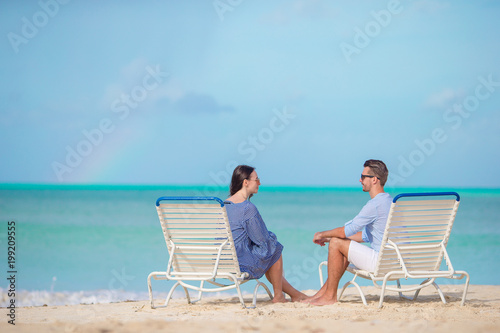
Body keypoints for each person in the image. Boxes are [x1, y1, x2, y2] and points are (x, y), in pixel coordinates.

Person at [303, 159, 392, 306]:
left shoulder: (375, 205)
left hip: (381, 264)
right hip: (397, 263)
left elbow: (346, 231)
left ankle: (329, 296)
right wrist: (332, 237)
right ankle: (323, 293)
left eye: (363, 176)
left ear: (374, 180)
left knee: (337, 242)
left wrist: (322, 234)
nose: (360, 180)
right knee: (340, 244)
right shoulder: (389, 201)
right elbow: (364, 236)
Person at [224, 165, 307, 303]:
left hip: (223, 262)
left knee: (270, 248)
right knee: (274, 248)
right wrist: (272, 237)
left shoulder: (224, 205)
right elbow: (262, 240)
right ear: (246, 182)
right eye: (257, 180)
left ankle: (295, 294)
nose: (259, 183)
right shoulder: (247, 208)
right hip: (241, 265)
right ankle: (279, 296)